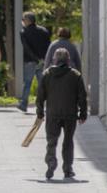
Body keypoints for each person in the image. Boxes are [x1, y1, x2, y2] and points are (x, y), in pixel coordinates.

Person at [36, 49, 88, 180]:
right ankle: (67, 169)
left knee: (51, 141)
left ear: (54, 60)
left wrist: (40, 112)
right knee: (68, 141)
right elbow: (82, 96)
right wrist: (83, 114)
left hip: (53, 114)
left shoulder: (47, 74)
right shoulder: (75, 75)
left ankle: (51, 165)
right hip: (70, 114)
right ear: (68, 60)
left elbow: (40, 96)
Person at [19, 12, 51, 113]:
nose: (22, 22)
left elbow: (27, 48)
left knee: (27, 83)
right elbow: (48, 46)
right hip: (43, 60)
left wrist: (35, 58)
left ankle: (24, 104)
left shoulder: (23, 32)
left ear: (28, 21)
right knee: (42, 83)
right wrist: (44, 59)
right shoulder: (44, 31)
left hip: (30, 61)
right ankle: (45, 105)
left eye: (23, 20)